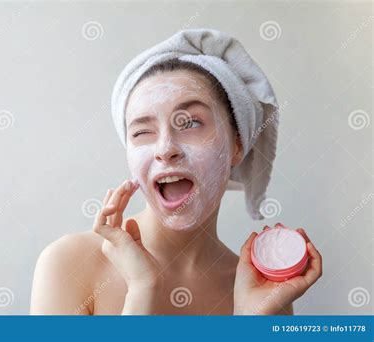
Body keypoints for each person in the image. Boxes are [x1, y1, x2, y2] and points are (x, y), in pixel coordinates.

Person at [30, 32, 322, 316]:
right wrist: (143, 289)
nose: (165, 148)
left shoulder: (262, 292)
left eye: (191, 123)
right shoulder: (71, 265)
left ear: (237, 144)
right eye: (142, 131)